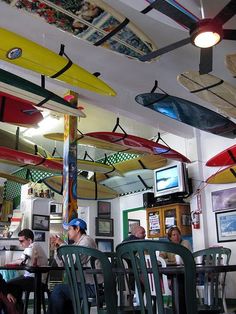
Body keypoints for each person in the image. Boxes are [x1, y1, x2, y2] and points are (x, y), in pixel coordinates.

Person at [47, 218, 102, 314]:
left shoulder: (87, 241)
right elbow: (62, 265)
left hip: (93, 286)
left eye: (69, 229)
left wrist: (61, 244)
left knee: (59, 290)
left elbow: (71, 262)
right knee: (62, 291)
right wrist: (57, 249)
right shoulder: (76, 244)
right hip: (82, 284)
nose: (68, 232)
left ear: (77, 229)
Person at [7, 229, 48, 308]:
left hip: (37, 281)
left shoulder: (33, 246)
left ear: (29, 240)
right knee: (15, 285)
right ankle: (19, 309)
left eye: (22, 241)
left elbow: (22, 261)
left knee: (9, 284)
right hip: (32, 278)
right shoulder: (32, 247)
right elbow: (21, 260)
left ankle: (17, 309)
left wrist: (8, 263)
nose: (20, 244)